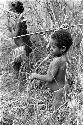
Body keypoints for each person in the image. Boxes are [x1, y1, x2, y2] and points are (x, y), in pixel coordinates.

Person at [29, 29, 72, 110]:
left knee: (56, 110)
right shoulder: (65, 57)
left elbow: (49, 78)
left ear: (63, 48)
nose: (50, 48)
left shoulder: (57, 61)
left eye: (53, 47)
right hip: (63, 88)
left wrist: (35, 75)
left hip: (58, 92)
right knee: (60, 106)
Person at [9, 1, 32, 76]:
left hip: (23, 47)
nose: (11, 14)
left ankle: (20, 80)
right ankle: (24, 78)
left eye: (12, 11)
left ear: (15, 11)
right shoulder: (22, 18)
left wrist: (12, 31)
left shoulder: (19, 20)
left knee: (16, 64)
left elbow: (15, 35)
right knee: (20, 64)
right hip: (25, 45)